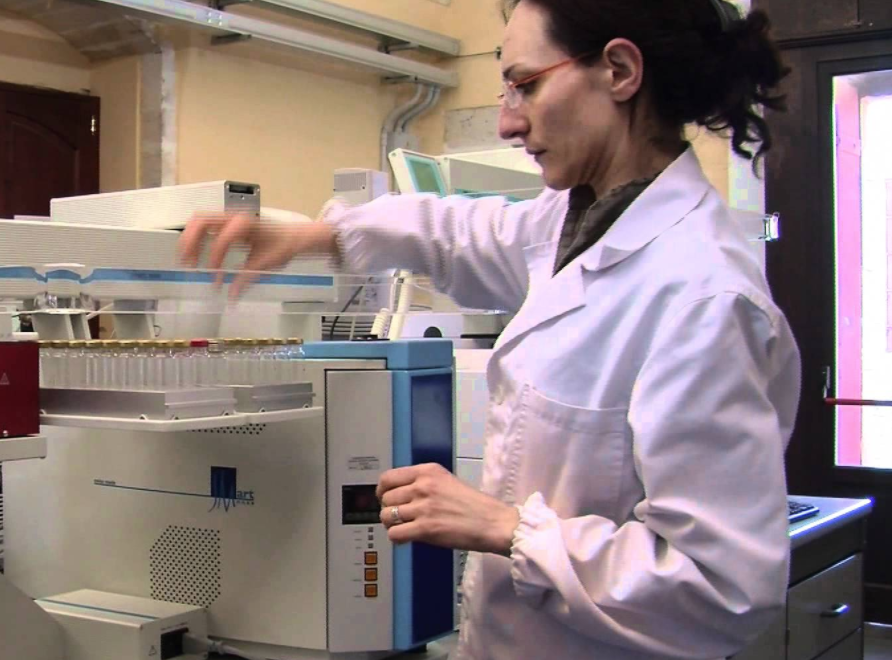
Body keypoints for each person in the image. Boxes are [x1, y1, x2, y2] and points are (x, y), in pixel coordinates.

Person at [178, 0, 800, 658]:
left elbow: (720, 587)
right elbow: (457, 231)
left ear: (619, 70)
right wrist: (318, 236)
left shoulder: (704, 297)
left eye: (525, 85)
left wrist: (505, 528)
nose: (507, 120)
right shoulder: (575, 219)